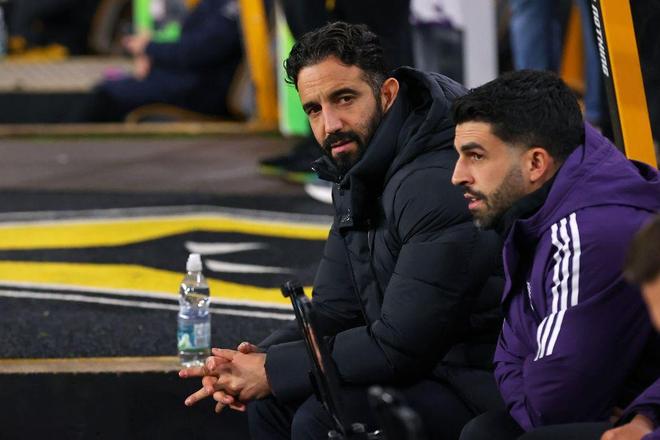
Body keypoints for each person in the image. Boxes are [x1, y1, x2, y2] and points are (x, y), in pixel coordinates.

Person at [180, 22, 506, 440]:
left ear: (387, 94)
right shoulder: (360, 167)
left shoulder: (436, 182)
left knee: (321, 419)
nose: (330, 124)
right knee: (274, 404)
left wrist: (273, 370)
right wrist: (253, 359)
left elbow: (401, 345)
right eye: (314, 109)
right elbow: (335, 310)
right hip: (425, 368)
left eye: (344, 99)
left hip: (480, 383)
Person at [450, 69, 660, 440]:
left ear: (536, 163)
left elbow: (552, 407)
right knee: (485, 431)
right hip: (601, 404)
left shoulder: (591, 232)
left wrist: (646, 415)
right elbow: (507, 352)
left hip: (609, 411)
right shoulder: (538, 210)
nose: (458, 175)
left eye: (476, 156)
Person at [74, 0, 242, 122]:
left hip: (199, 88)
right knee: (107, 89)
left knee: (107, 94)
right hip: (188, 79)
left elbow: (200, 50)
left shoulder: (233, 6)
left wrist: (149, 48)